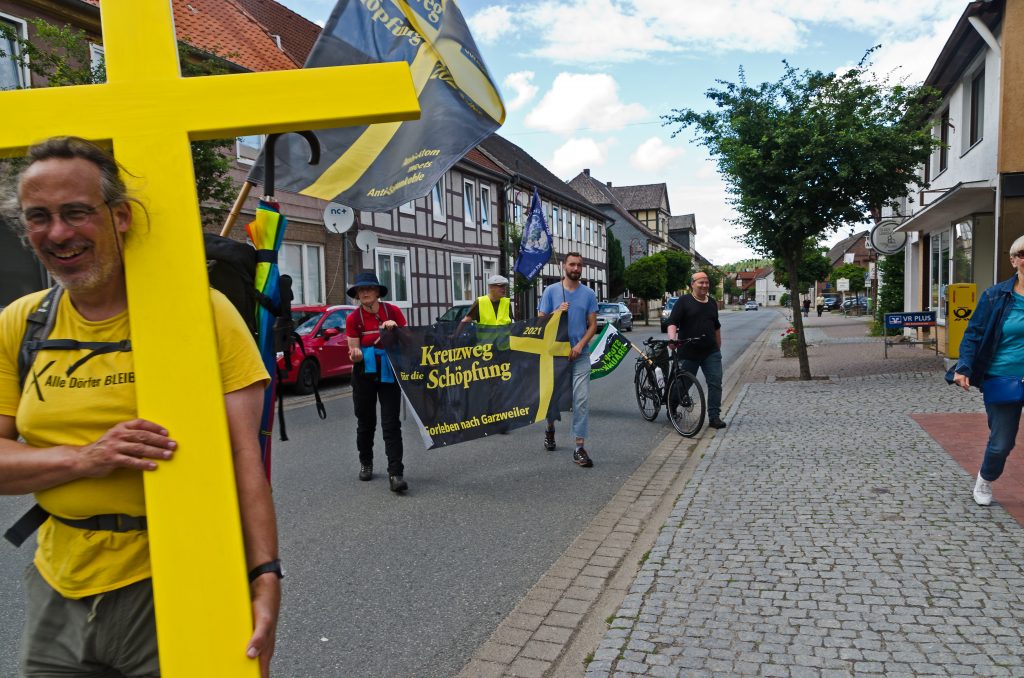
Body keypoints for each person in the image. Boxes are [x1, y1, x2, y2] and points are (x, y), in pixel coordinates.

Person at [0, 137, 280, 677]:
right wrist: (86, 459)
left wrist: (264, 575)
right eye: (39, 217)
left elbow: (246, 458)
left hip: (179, 577)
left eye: (76, 212)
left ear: (120, 216)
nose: (58, 233)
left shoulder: (203, 314)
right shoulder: (21, 323)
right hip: (58, 583)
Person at [951, 235, 1024, 506]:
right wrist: (964, 367)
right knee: (1002, 442)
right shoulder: (996, 296)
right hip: (1003, 376)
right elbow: (974, 333)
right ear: (1014, 260)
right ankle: (986, 478)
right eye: (1023, 254)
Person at [345, 270, 409, 493]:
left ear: (377, 291)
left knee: (391, 423)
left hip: (389, 371)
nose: (364, 293)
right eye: (361, 290)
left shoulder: (392, 311)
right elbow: (352, 348)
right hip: (364, 373)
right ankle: (366, 462)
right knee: (366, 423)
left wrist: (396, 329)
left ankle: (396, 473)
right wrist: (356, 354)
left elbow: (407, 339)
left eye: (369, 288)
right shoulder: (353, 319)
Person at [538, 252, 598, 467]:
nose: (576, 268)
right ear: (564, 266)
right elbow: (541, 322)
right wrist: (556, 312)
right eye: (572, 264)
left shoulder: (589, 294)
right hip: (555, 355)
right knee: (552, 399)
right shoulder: (551, 291)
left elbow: (593, 325)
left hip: (580, 355)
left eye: (579, 265)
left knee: (580, 400)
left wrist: (580, 345)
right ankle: (550, 429)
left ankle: (579, 447)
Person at [666, 270, 726, 429]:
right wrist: (672, 339)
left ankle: (714, 417)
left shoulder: (712, 302)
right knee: (683, 384)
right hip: (688, 351)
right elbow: (672, 322)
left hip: (710, 352)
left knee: (715, 383)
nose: (704, 285)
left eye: (706, 282)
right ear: (692, 284)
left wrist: (718, 346)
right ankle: (671, 407)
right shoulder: (684, 301)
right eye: (701, 282)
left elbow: (716, 326)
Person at [456, 273, 513, 339]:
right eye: (501, 286)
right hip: (486, 346)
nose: (504, 289)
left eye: (505, 286)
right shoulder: (480, 302)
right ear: (491, 287)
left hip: (504, 346)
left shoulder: (507, 302)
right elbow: (466, 320)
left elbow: (510, 324)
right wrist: (455, 337)